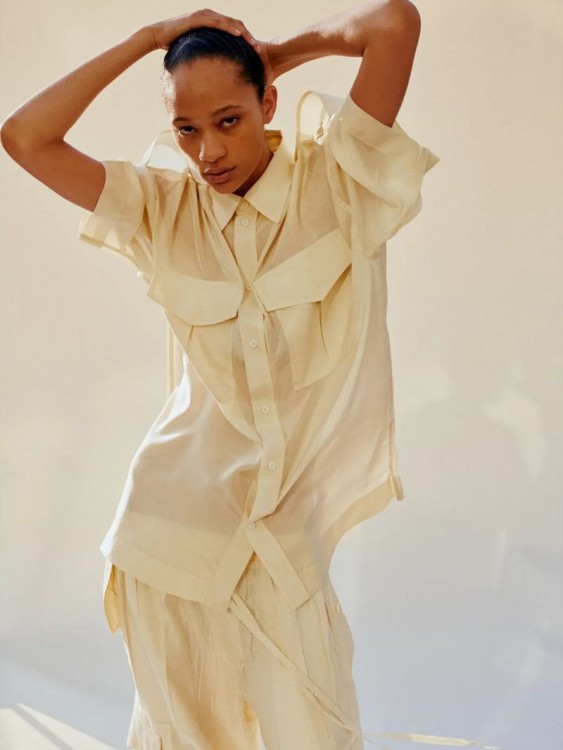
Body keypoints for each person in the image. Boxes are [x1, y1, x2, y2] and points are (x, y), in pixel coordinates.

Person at [2, 4, 497, 750]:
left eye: (229, 120)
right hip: (167, 539)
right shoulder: (160, 208)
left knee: (318, 734)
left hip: (283, 548)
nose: (208, 151)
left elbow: (394, 23)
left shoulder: (339, 181)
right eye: (186, 129)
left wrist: (278, 54)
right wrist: (146, 40)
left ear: (268, 105)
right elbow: (24, 137)